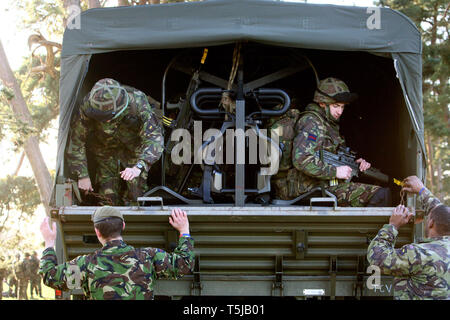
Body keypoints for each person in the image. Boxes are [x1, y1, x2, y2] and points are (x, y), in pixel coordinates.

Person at [39, 206, 195, 300]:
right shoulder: (147, 256)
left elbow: (49, 275)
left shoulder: (86, 264)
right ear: (124, 226)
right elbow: (184, 265)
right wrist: (184, 231)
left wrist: (49, 242)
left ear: (97, 232)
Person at [281, 77, 390, 207]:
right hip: (308, 190)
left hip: (321, 186)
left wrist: (355, 165)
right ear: (322, 103)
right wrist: (335, 172)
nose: (340, 111)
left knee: (380, 190)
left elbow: (330, 155)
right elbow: (301, 159)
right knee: (380, 195)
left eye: (342, 107)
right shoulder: (312, 123)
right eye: (336, 106)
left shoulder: (327, 123)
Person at [66, 78, 164, 205]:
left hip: (134, 150)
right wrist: (82, 175)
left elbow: (154, 138)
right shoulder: (88, 105)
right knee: (107, 197)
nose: (105, 122)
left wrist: (139, 166)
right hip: (104, 150)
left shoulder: (138, 102)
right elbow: (76, 141)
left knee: (136, 196)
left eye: (107, 117)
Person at [367, 175, 449, 300]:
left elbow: (377, 259)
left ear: (431, 223)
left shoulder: (419, 254)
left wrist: (393, 226)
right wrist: (421, 190)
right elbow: (441, 213)